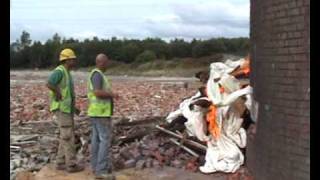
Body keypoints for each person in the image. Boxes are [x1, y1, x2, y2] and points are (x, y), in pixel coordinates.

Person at [46, 48, 83, 173]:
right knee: (68, 136)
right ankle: (71, 165)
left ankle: (60, 163)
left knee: (64, 136)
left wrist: (74, 108)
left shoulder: (67, 73)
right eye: (73, 59)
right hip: (62, 108)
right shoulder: (60, 71)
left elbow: (68, 94)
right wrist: (57, 92)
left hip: (66, 109)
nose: (75, 61)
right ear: (67, 60)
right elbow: (50, 83)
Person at [87, 53, 118, 179]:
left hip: (96, 113)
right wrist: (112, 94)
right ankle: (101, 170)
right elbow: (97, 92)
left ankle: (96, 167)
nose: (107, 65)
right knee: (104, 140)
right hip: (100, 113)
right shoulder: (97, 75)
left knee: (96, 140)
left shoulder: (97, 74)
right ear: (101, 62)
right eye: (106, 62)